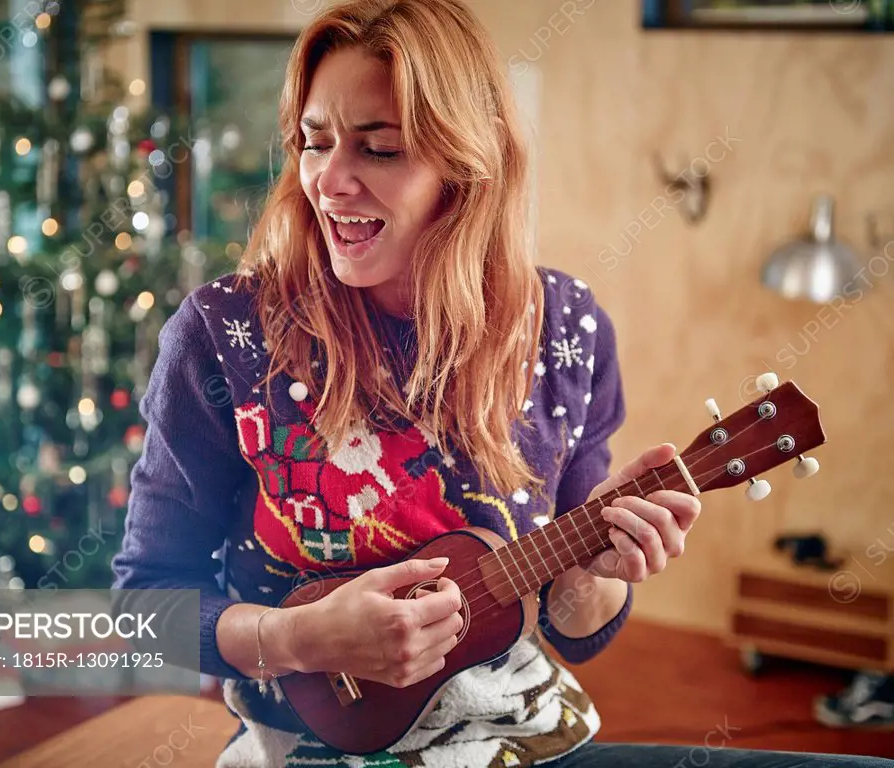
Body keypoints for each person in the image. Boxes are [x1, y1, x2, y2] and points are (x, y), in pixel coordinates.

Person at [111, 1, 894, 765]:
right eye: (316, 143)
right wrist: (293, 638)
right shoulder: (223, 335)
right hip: (303, 749)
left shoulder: (565, 328)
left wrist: (596, 574)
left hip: (525, 737)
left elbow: (579, 629)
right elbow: (140, 610)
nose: (330, 182)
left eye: (379, 149)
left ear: (466, 163)